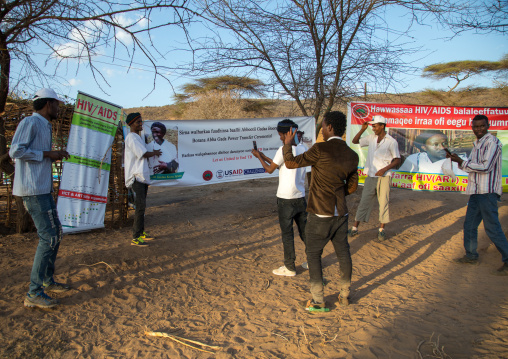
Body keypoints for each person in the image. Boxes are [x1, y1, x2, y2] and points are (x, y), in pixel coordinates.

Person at [283, 111, 359, 309]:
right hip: (341, 213)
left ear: (330, 127)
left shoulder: (320, 149)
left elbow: (290, 163)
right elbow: (351, 187)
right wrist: (337, 195)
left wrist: (287, 144)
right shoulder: (352, 155)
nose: (321, 130)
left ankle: (318, 300)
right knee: (343, 253)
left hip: (320, 213)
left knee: (313, 254)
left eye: (323, 126)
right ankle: (344, 296)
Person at [9, 88, 71, 309]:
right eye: (56, 104)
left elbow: (34, 153)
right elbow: (15, 151)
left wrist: (53, 154)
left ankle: (47, 280)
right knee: (49, 238)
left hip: (41, 188)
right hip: (32, 190)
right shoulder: (31, 122)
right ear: (48, 104)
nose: (58, 108)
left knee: (57, 234)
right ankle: (33, 293)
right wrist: (46, 154)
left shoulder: (43, 125)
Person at [448, 115, 508, 275]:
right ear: (472, 127)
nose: (479, 129)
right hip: (476, 192)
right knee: (469, 225)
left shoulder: (493, 143)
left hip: (487, 193)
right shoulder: (477, 144)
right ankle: (471, 256)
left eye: (482, 126)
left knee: (492, 228)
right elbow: (472, 167)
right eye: (476, 127)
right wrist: (458, 161)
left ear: (488, 126)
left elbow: (486, 167)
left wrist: (462, 162)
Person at [251, 119, 308, 277]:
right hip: (300, 196)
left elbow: (270, 170)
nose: (280, 138)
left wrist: (258, 157)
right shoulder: (304, 148)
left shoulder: (283, 149)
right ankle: (312, 259)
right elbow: (279, 164)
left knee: (287, 233)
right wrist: (262, 156)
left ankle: (289, 267)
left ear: (286, 134)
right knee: (305, 231)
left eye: (281, 135)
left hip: (285, 198)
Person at [349, 115, 401, 242]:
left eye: (375, 126)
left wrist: (384, 169)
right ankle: (355, 228)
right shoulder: (371, 138)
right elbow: (355, 141)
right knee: (364, 202)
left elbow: (397, 159)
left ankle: (381, 230)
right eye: (372, 126)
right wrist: (362, 129)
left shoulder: (391, 141)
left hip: (384, 177)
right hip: (371, 176)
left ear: (382, 126)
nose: (373, 128)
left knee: (383, 203)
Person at [124, 113, 162, 246]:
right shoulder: (132, 138)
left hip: (142, 177)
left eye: (141, 122)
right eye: (138, 122)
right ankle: (135, 237)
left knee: (142, 207)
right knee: (140, 207)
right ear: (131, 124)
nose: (140, 124)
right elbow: (143, 153)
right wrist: (155, 153)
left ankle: (141, 233)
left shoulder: (138, 137)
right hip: (136, 177)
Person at [398, 130, 467, 175]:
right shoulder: (416, 158)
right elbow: (402, 176)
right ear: (424, 147)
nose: (442, 148)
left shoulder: (458, 160)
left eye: (444, 143)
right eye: (436, 145)